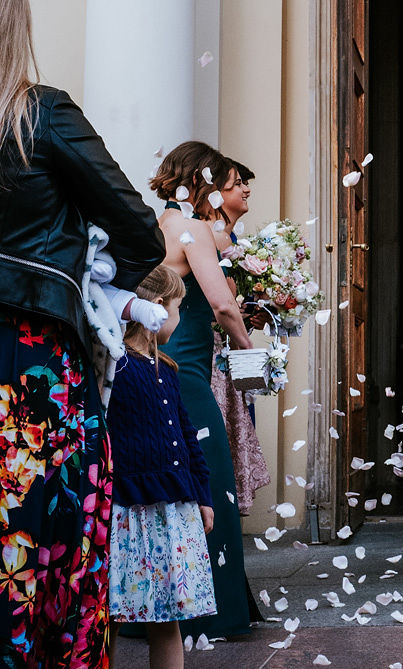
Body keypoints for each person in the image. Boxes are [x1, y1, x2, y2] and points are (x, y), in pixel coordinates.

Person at [0, 0, 166, 667]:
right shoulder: (40, 113)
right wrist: (96, 289)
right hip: (30, 360)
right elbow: (138, 229)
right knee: (51, 549)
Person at [151, 143, 259, 639]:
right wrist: (252, 356)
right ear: (202, 180)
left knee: (175, 488)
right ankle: (215, 614)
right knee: (212, 481)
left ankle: (168, 609)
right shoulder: (189, 229)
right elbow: (223, 305)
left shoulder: (165, 223)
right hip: (188, 378)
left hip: (166, 369)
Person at [107, 265, 217, 667]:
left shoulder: (166, 369)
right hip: (127, 511)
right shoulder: (114, 365)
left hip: (173, 510)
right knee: (111, 616)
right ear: (155, 307)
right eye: (178, 307)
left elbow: (188, 439)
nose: (181, 317)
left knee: (167, 619)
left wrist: (202, 496)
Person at [209, 158, 271, 515]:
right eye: (237, 183)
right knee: (229, 434)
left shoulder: (228, 234)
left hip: (230, 345)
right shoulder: (215, 234)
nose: (246, 188)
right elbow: (222, 302)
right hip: (220, 351)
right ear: (216, 192)